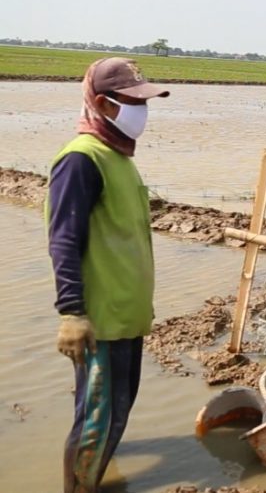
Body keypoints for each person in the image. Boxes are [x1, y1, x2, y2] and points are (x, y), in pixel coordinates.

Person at [47, 57, 169, 493]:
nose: (143, 111)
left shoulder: (119, 157)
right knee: (97, 423)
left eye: (145, 100)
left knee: (116, 413)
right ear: (102, 103)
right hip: (100, 323)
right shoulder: (82, 159)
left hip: (126, 317)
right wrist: (71, 313)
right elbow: (64, 239)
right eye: (133, 101)